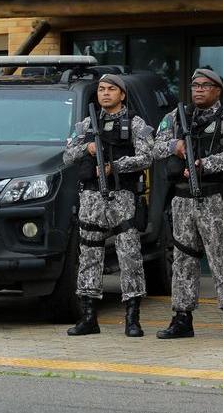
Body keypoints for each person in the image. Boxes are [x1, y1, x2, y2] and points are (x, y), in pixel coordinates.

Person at [152, 68, 223, 341]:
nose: (198, 90)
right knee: (183, 260)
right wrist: (176, 146)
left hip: (215, 198)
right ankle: (182, 318)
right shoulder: (175, 117)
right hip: (183, 200)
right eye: (195, 85)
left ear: (218, 90)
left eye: (205, 85)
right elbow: (154, 147)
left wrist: (206, 164)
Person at [62, 74, 154, 337]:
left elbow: (148, 157)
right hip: (91, 198)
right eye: (101, 89)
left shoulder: (135, 123)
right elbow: (67, 155)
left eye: (111, 89)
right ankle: (89, 317)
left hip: (122, 197)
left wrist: (117, 166)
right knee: (89, 257)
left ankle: (132, 319)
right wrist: (87, 148)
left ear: (122, 94)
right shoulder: (86, 125)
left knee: (130, 257)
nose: (105, 93)